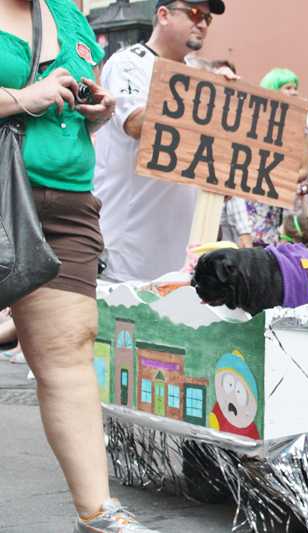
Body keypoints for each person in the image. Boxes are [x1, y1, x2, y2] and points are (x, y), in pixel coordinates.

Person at [0, 0, 160, 529]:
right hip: (3, 194)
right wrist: (25, 97)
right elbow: (31, 102)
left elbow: (65, 115)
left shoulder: (68, 15)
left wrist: (97, 112)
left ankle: (97, 513)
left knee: (68, 349)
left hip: (66, 200)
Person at [94, 0, 230, 283]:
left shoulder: (198, 77)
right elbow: (135, 123)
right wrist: (206, 95)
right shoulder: (128, 62)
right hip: (126, 253)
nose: (202, 22)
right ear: (164, 14)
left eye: (207, 18)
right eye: (194, 13)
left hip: (182, 259)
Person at [246, 68, 304, 247]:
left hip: (285, 197)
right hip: (259, 196)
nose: (294, 92)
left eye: (295, 87)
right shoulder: (256, 124)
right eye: (287, 87)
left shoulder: (303, 126)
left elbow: (305, 170)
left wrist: (278, 178)